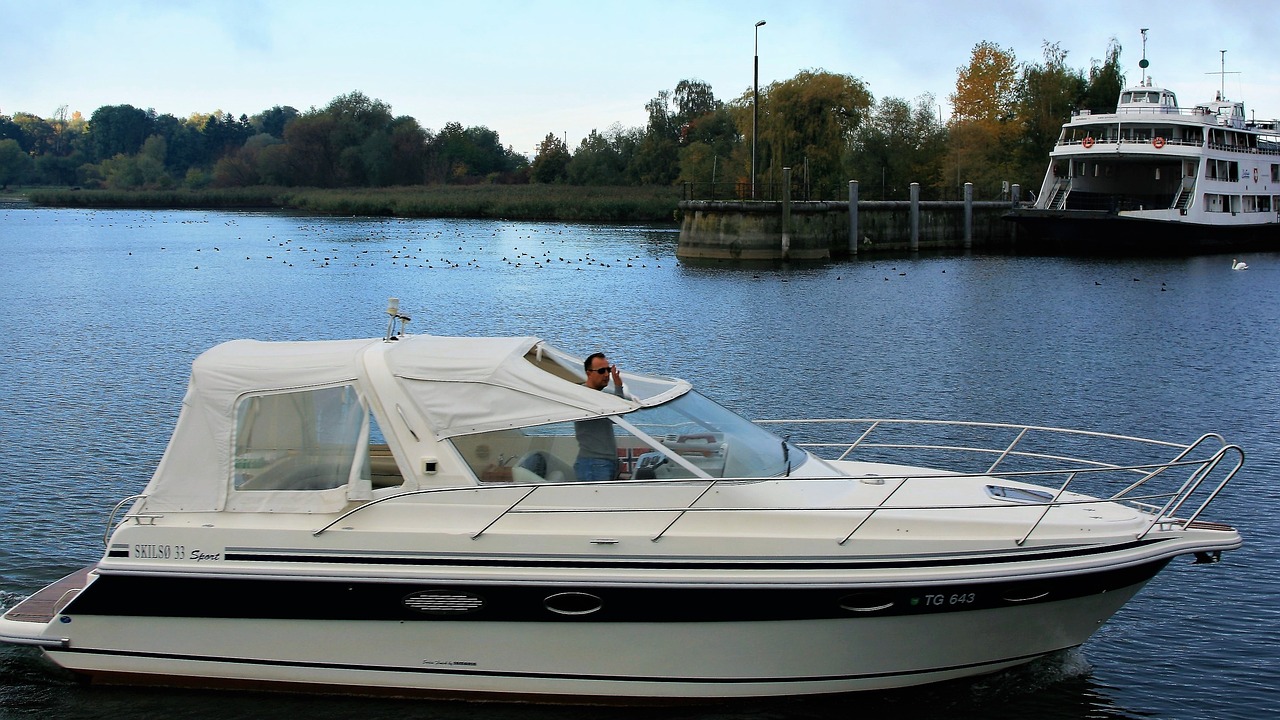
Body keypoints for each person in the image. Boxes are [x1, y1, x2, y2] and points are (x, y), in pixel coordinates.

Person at [574, 352, 625, 481]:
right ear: (589, 373)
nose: (607, 375)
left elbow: (618, 416)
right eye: (601, 371)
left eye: (608, 370)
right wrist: (618, 387)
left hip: (604, 462)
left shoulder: (599, 395)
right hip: (594, 465)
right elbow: (618, 414)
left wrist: (618, 387)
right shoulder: (584, 396)